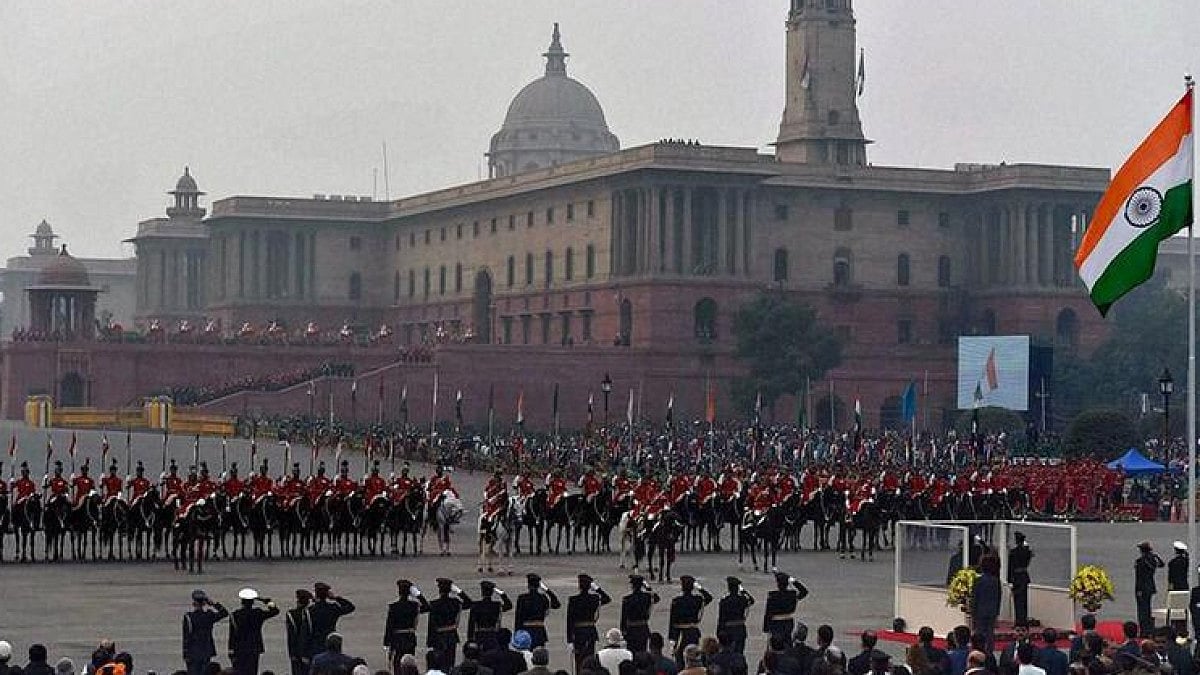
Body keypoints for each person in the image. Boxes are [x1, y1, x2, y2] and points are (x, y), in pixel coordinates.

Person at [226, 587, 279, 675]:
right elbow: (275, 611)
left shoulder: (235, 615)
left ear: (241, 602)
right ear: (253, 602)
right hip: (254, 647)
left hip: (239, 648)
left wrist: (231, 650)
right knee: (252, 671)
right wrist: (268, 602)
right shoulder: (258, 613)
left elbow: (232, 634)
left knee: (239, 671)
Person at [567, 574, 612, 672]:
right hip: (590, 632)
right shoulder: (595, 598)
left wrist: (569, 639)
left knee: (579, 661)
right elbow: (607, 598)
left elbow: (569, 621)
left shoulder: (573, 600)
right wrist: (597, 588)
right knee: (590, 660)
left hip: (578, 633)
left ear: (579, 586)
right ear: (589, 586)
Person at [428, 578, 474, 667]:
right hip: (451, 635)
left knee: (439, 663)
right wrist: (459, 592)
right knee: (450, 663)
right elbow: (469, 602)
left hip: (438, 636)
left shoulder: (434, 604)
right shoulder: (455, 603)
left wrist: (430, 641)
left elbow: (431, 624)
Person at [386, 579, 431, 671]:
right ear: (409, 593)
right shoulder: (414, 606)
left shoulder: (394, 607)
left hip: (397, 638)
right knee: (409, 662)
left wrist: (387, 642)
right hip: (409, 637)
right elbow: (427, 606)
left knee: (398, 662)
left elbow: (389, 625)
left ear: (399, 592)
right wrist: (418, 594)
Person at [182, 589, 229, 675]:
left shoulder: (189, 617)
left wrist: (185, 654)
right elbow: (224, 613)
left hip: (193, 651)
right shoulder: (209, 615)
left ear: (194, 603)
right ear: (204, 603)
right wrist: (214, 604)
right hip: (206, 649)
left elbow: (186, 637)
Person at [668, 576, 712, 665]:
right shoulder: (697, 599)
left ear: (682, 587)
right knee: (694, 657)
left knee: (679, 659)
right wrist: (699, 588)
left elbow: (672, 620)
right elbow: (709, 597)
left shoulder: (677, 601)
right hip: (693, 632)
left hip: (680, 634)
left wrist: (672, 638)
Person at [309, 582, 356, 656]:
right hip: (330, 638)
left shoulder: (311, 610)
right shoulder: (333, 608)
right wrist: (336, 598)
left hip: (315, 642)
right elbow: (350, 607)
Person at [515, 574, 560, 649]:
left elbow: (518, 617)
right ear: (538, 586)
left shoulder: (522, 598)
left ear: (528, 585)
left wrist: (517, 633)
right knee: (539, 656)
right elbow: (556, 605)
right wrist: (547, 590)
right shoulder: (543, 598)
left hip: (526, 632)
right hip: (539, 631)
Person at [762, 571, 810, 642]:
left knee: (776, 642)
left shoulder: (773, 596)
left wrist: (766, 628)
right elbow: (804, 591)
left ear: (778, 584)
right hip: (788, 621)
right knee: (787, 641)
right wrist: (793, 581)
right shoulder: (792, 595)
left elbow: (768, 612)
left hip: (776, 623)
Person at [620, 575, 659, 654]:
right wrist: (648, 587)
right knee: (642, 651)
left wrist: (623, 631)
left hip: (631, 629)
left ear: (632, 586)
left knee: (631, 653)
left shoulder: (627, 599)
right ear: (642, 586)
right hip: (643, 628)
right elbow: (657, 598)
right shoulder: (647, 597)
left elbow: (623, 617)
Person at [971, 555, 1001, 655]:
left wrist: (972, 612)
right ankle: (989, 652)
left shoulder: (978, 581)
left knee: (979, 632)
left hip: (980, 611)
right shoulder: (996, 581)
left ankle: (979, 651)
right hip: (992, 611)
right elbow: (998, 597)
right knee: (990, 633)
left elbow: (975, 597)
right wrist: (997, 612)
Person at [717, 577, 755, 655]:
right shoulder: (743, 599)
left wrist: (719, 631)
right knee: (739, 652)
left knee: (728, 652)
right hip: (740, 628)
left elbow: (721, 618)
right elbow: (751, 600)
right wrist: (743, 591)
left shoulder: (724, 601)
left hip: (728, 629)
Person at [469, 581, 513, 645]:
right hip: (493, 635)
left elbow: (471, 623)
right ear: (492, 592)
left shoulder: (476, 605)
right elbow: (509, 605)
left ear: (482, 592)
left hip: (480, 635)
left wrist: (470, 639)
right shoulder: (497, 605)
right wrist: (501, 593)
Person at [1135, 541, 1165, 635]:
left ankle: (1144, 629)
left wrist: (1138, 590)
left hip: (1142, 588)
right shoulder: (1152, 560)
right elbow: (1162, 564)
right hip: (1150, 587)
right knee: (1147, 608)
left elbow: (1139, 577)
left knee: (1142, 610)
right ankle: (1148, 628)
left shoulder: (1141, 561)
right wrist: (1155, 556)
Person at [1008, 532, 1034, 628]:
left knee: (1017, 600)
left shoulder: (1013, 552)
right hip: (1024, 576)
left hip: (1016, 577)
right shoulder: (1027, 551)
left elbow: (1010, 566)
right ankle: (1024, 620)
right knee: (1024, 600)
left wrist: (1009, 579)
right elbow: (1029, 553)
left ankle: (1019, 621)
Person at [286, 589, 314, 675]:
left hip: (295, 649)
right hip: (309, 649)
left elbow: (290, 635)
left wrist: (292, 653)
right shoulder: (311, 613)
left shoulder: (291, 614)